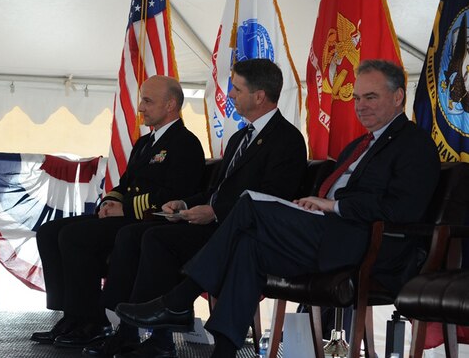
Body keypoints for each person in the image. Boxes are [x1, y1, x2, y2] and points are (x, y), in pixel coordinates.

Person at [115, 59, 441, 357]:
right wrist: (317, 205)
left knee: (249, 206)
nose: (360, 106)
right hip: (329, 233)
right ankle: (224, 350)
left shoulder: (414, 144)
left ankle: (179, 300)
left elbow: (404, 210)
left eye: (370, 97)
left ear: (398, 97)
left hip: (369, 243)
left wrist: (335, 205)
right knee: (248, 247)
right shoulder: (360, 145)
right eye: (356, 98)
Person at [85, 59, 307, 358]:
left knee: (156, 238)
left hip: (243, 232)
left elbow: (270, 197)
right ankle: (141, 332)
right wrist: (187, 203)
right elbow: (218, 190)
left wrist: (215, 212)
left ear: (259, 96)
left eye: (237, 89)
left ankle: (154, 328)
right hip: (216, 224)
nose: (229, 95)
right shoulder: (241, 137)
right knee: (143, 233)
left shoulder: (288, 139)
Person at [31, 75, 205, 349]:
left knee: (74, 237)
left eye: (147, 101)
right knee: (50, 231)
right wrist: (109, 203)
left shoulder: (186, 144)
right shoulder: (145, 143)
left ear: (171, 104)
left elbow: (175, 196)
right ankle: (71, 315)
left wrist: (125, 208)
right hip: (123, 217)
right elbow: (124, 184)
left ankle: (93, 321)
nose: (140, 108)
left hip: (145, 221)